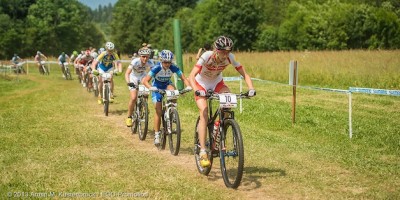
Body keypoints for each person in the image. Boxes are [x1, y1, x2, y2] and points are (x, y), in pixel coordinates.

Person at [188, 36, 256, 167]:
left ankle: (218, 129)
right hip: (201, 84)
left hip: (217, 83)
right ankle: (202, 151)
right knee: (204, 112)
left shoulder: (231, 57)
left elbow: (245, 74)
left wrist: (251, 88)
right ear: (216, 50)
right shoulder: (207, 56)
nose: (225, 55)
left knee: (228, 103)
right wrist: (197, 90)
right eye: (223, 51)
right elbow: (191, 76)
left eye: (228, 51)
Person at [142, 50, 192, 145]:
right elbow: (145, 81)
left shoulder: (173, 67)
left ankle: (172, 111)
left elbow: (184, 78)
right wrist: (151, 88)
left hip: (167, 84)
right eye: (165, 62)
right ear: (161, 61)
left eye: (169, 62)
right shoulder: (156, 68)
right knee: (158, 111)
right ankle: (156, 134)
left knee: (172, 90)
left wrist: (188, 86)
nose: (167, 64)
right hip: (156, 86)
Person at [124, 47, 155, 127]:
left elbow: (154, 73)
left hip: (142, 76)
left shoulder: (151, 62)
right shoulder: (135, 61)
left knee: (146, 91)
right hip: (133, 77)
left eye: (147, 56)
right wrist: (129, 82)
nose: (145, 58)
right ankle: (129, 117)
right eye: (143, 56)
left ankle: (145, 104)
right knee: (134, 98)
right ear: (140, 56)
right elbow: (127, 73)